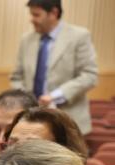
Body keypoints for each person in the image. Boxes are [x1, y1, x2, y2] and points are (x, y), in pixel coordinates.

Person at [10, 0, 98, 134]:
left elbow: (89, 76)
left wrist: (55, 96)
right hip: (32, 121)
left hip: (69, 122)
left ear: (54, 13)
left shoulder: (79, 36)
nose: (31, 19)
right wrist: (27, 98)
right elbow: (16, 77)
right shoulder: (26, 39)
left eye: (36, 15)